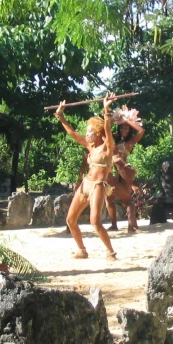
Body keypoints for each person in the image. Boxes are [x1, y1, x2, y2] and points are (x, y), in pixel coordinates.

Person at [55, 93, 118, 261]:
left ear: (97, 133)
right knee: (70, 219)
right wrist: (61, 116)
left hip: (98, 185)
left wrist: (106, 109)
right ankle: (82, 250)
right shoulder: (90, 147)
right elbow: (72, 133)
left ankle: (110, 252)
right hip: (86, 184)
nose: (87, 134)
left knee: (95, 222)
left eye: (90, 131)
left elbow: (108, 129)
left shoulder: (107, 148)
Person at [106, 106, 144, 232]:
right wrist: (114, 118)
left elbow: (141, 131)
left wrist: (127, 120)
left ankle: (131, 226)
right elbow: (105, 129)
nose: (124, 129)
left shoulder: (130, 142)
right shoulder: (113, 140)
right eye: (122, 127)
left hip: (125, 171)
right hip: (113, 169)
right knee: (109, 198)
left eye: (126, 128)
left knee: (127, 198)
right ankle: (114, 224)